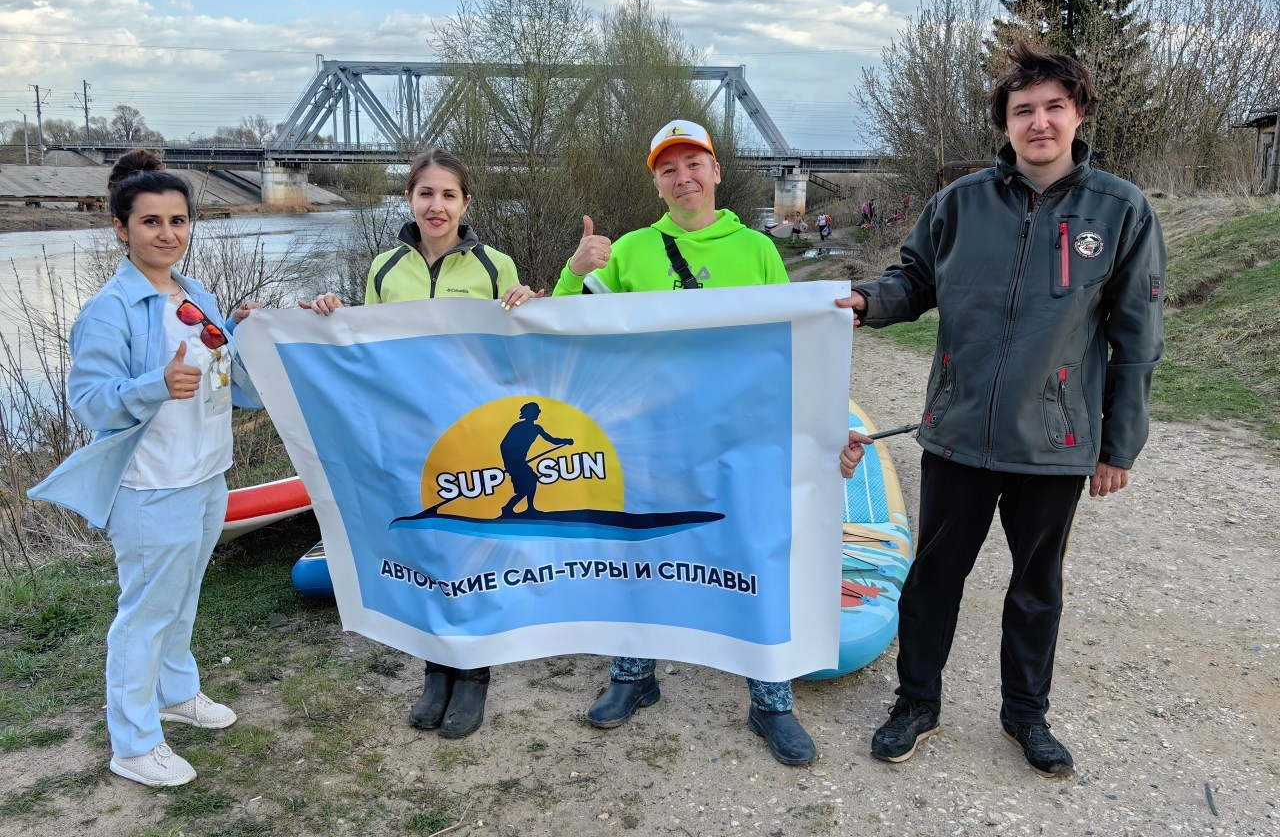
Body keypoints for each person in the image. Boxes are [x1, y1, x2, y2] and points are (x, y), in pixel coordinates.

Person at [837, 42, 1166, 778]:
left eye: (1054, 107)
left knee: (1036, 586)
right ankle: (915, 703)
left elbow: (1138, 338)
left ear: (1078, 114)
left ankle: (1026, 715)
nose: (1039, 122)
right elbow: (912, 279)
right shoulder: (959, 204)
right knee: (933, 579)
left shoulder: (1121, 211)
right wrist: (867, 301)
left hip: (1054, 441)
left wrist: (1120, 444)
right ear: (1006, 123)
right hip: (956, 435)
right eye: (1024, 110)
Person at [553, 118, 870, 766]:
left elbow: (796, 348)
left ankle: (770, 701)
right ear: (657, 182)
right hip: (649, 441)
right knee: (638, 557)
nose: (683, 177)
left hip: (740, 441)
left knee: (754, 558)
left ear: (717, 171)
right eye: (668, 168)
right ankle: (633, 676)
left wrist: (827, 425)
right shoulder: (630, 251)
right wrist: (571, 271)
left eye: (693, 163)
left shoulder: (755, 249)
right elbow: (569, 330)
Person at [29, 149, 263, 788]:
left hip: (207, 470)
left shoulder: (196, 294)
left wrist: (248, 337)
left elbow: (225, 379)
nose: (168, 234)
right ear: (121, 229)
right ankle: (133, 742)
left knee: (183, 595)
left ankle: (175, 692)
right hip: (149, 484)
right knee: (145, 611)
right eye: (152, 222)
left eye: (179, 221)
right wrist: (154, 385)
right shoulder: (109, 309)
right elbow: (90, 401)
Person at [302, 146, 542, 740]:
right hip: (410, 434)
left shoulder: (495, 266)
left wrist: (532, 306)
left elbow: (518, 352)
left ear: (466, 203)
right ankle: (435, 668)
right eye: (426, 193)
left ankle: (474, 674)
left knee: (472, 551)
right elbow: (365, 353)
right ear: (409, 198)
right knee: (428, 549)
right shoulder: (384, 269)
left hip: (474, 433)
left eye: (449, 195)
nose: (437, 206)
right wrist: (329, 315)